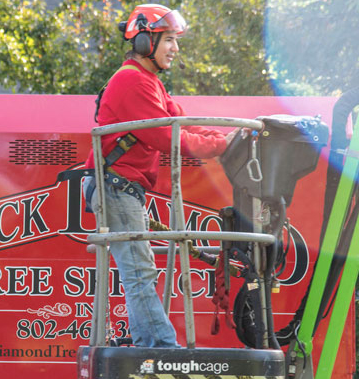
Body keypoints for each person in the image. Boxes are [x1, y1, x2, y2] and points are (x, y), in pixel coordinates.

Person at [84, 3, 235, 348]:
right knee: (140, 272)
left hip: (122, 187)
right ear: (143, 43)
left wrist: (225, 140)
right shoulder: (132, 81)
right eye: (168, 39)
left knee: (140, 270)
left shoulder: (150, 84)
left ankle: (148, 346)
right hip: (116, 186)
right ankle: (162, 350)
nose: (175, 48)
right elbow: (168, 138)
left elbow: (182, 124)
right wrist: (219, 147)